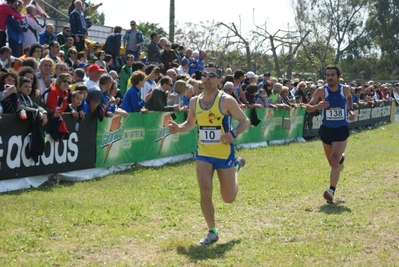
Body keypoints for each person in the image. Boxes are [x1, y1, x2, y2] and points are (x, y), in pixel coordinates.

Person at [168, 64, 250, 245]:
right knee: (205, 192)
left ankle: (236, 166)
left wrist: (233, 133)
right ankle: (212, 231)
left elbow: (245, 120)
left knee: (228, 198)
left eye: (212, 75)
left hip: (224, 154)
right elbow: (189, 124)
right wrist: (178, 129)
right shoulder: (194, 101)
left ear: (219, 80)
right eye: (204, 74)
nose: (207, 78)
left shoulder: (226, 100)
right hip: (203, 154)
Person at [306, 65, 356, 204]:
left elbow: (349, 97)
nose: (329, 77)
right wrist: (317, 106)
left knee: (334, 160)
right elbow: (308, 108)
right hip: (326, 130)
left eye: (332, 75)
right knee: (332, 163)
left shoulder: (344, 89)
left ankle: (331, 191)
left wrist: (350, 110)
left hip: (341, 129)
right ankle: (341, 159)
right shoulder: (321, 91)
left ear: (338, 76)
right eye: (327, 75)